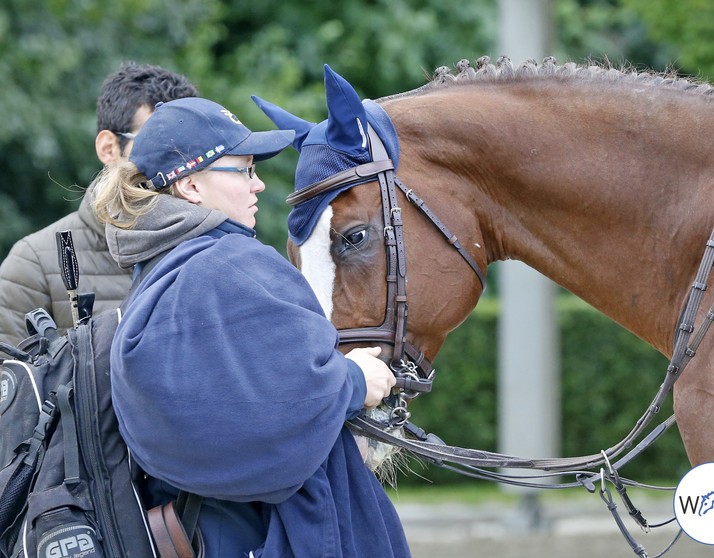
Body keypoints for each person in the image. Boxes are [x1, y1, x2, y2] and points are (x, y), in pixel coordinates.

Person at [92, 97, 411, 557]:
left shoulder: (156, 271)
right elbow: (278, 408)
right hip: (269, 537)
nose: (258, 184)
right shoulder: (230, 264)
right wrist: (356, 379)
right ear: (191, 188)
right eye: (242, 170)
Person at [0, 62, 198, 344]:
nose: (178, 164)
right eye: (158, 143)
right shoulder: (33, 264)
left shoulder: (210, 250)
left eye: (191, 150)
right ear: (108, 148)